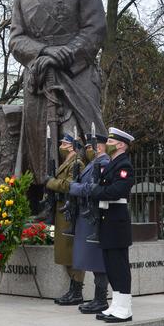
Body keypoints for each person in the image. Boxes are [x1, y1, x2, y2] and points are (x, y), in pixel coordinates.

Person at [9, 0, 107, 214]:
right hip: (39, 78)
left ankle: (81, 196)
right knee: (38, 141)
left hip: (76, 74)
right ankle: (45, 200)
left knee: (76, 136)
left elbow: (95, 29)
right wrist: (44, 52)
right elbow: (16, 40)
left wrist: (66, 53)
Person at [88, 127, 135, 323]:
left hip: (116, 220)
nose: (107, 144)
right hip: (108, 219)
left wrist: (95, 190)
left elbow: (116, 190)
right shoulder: (113, 164)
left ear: (121, 144)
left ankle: (124, 308)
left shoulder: (124, 165)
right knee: (111, 265)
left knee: (119, 265)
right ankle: (116, 304)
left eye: (111, 141)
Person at [69, 133, 111, 314]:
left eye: (90, 147)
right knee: (92, 260)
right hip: (86, 216)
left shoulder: (103, 163)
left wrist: (74, 187)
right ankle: (97, 299)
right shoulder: (93, 164)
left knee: (98, 260)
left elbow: (94, 188)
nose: (87, 150)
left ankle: (101, 299)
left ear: (99, 147)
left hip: (94, 218)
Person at [44, 133, 86, 306]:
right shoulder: (67, 162)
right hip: (62, 212)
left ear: (71, 146)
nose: (61, 146)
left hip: (69, 212)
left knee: (71, 253)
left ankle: (76, 291)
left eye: (63, 144)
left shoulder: (77, 163)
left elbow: (69, 185)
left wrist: (50, 182)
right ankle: (72, 290)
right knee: (65, 254)